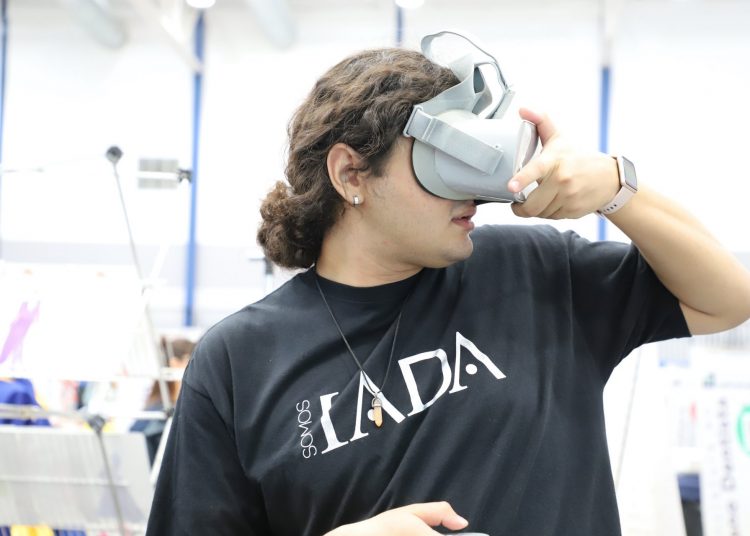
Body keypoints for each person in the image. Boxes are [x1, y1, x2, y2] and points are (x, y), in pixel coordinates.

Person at [145, 45, 750, 536]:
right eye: (441, 162)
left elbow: (727, 298)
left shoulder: (535, 273)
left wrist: (618, 187)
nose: (473, 192)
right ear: (351, 173)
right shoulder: (238, 361)